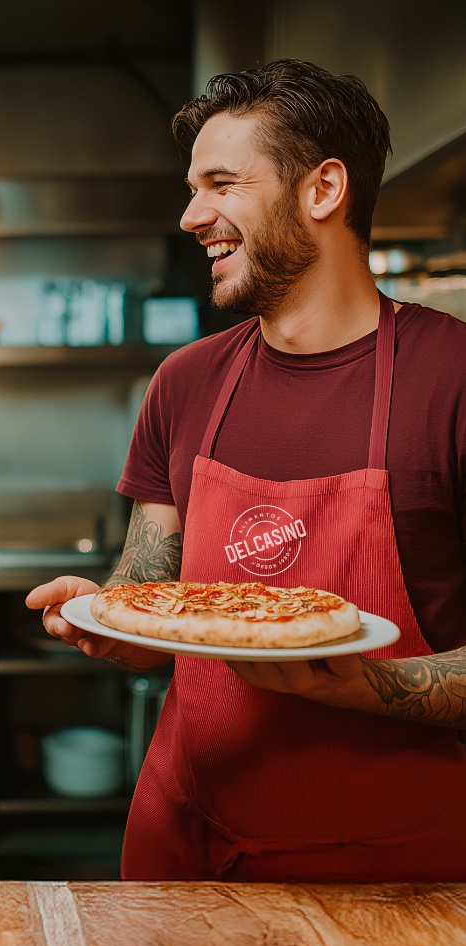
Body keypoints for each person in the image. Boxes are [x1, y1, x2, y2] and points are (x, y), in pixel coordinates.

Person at [28, 59, 466, 883]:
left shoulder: (453, 379)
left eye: (221, 183)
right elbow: (149, 600)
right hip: (185, 837)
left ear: (324, 190)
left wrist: (362, 688)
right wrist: (108, 617)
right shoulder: (185, 381)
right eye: (194, 188)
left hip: (393, 872)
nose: (193, 215)